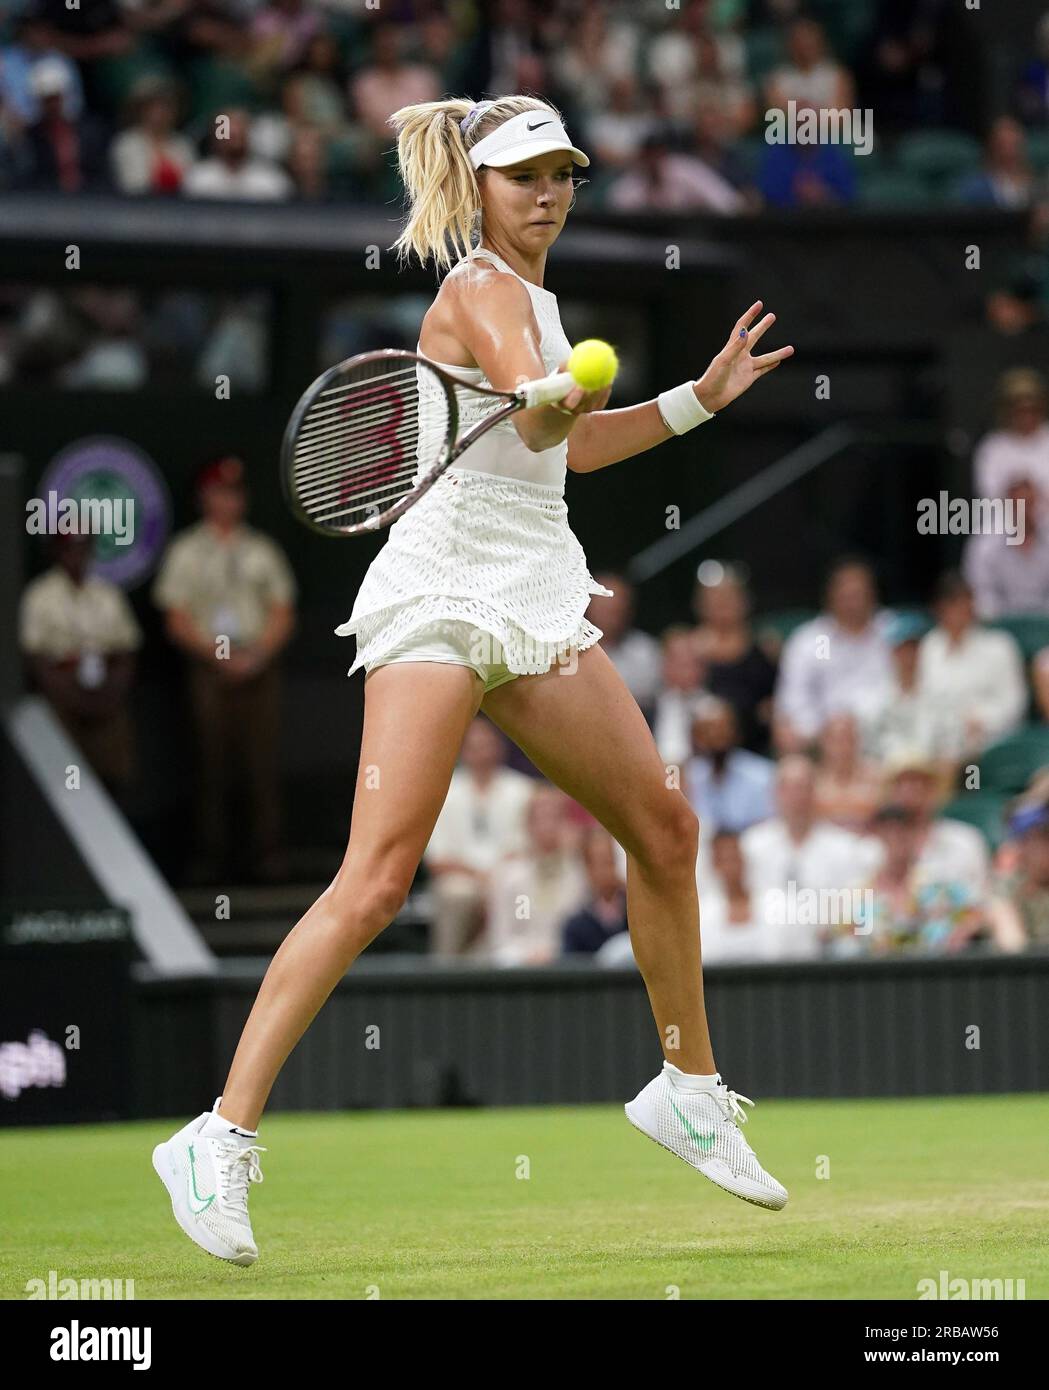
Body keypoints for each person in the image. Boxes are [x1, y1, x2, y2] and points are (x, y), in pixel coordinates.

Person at [153, 92, 795, 1264]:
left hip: (537, 583)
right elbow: (544, 422)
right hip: (444, 589)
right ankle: (216, 1135)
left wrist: (698, 399)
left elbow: (571, 445)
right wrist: (557, 400)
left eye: (560, 174)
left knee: (661, 825)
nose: (545, 193)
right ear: (479, 188)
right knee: (378, 877)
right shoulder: (480, 291)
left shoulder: (543, 305)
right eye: (521, 177)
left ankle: (686, 1087)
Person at [153, 455, 296, 883]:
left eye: (235, 493)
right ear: (204, 498)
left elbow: (282, 611)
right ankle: (209, 859)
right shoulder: (187, 551)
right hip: (209, 669)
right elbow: (175, 618)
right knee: (210, 764)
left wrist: (257, 656)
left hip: (257, 665)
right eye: (220, 492)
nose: (228, 501)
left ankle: (268, 857)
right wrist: (218, 656)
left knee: (262, 763)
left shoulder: (261, 550)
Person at [19, 532, 141, 795]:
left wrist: (108, 695)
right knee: (67, 783)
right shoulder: (40, 596)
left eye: (82, 548)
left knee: (111, 780)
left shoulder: (108, 593)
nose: (76, 556)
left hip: (106, 700)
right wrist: (71, 696)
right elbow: (35, 658)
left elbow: (126, 651)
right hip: (63, 703)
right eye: (69, 549)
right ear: (57, 552)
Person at [423, 716, 537, 957]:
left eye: (486, 744)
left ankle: (510, 961)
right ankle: (446, 967)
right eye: (474, 747)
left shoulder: (522, 790)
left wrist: (495, 879)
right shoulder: (444, 791)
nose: (481, 753)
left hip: (509, 878)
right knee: (456, 892)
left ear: (499, 747)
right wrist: (480, 878)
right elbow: (437, 859)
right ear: (463, 751)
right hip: (462, 879)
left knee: (518, 883)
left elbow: (527, 848)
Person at [773, 556, 893, 752]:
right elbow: (794, 703)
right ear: (830, 596)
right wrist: (823, 732)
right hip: (824, 745)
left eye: (859, 594)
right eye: (846, 595)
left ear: (873, 594)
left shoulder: (892, 633)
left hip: (886, 742)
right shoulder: (818, 640)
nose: (853, 603)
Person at [917, 571, 1026, 760]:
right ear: (940, 609)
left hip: (991, 741)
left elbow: (1015, 703)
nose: (961, 610)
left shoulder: (999, 646)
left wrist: (983, 720)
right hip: (941, 743)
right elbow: (925, 700)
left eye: (966, 602)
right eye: (952, 604)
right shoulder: (930, 646)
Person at [484, 784, 588, 965]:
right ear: (527, 824)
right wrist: (530, 954)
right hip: (519, 959)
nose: (547, 825)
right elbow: (501, 937)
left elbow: (581, 931)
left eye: (554, 817)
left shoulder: (580, 873)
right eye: (540, 817)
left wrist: (554, 951)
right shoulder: (508, 875)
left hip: (567, 958)